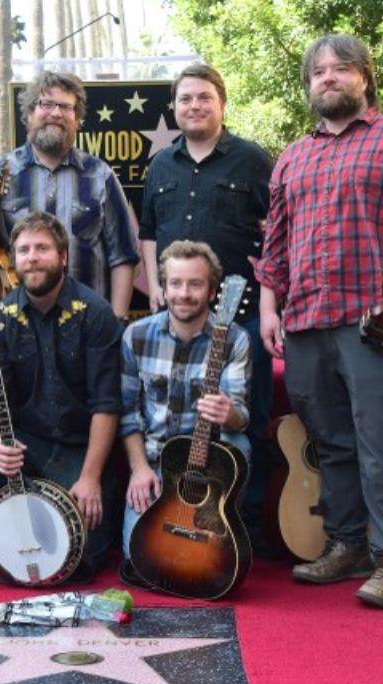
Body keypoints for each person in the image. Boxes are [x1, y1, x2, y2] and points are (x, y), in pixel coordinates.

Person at [256, 34, 383, 609]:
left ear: (365, 78)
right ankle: (347, 544)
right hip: (303, 321)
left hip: (374, 321)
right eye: (318, 71)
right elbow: (274, 243)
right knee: (331, 443)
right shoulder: (293, 157)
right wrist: (270, 306)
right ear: (308, 86)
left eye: (341, 68)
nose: (329, 77)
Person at [137, 63, 276, 553]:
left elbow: (274, 235)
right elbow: (148, 233)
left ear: (221, 104)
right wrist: (156, 286)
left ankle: (244, 527)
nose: (194, 106)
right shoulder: (161, 165)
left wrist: (270, 306)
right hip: (178, 313)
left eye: (203, 98)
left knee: (244, 418)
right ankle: (170, 510)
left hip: (238, 318)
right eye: (185, 99)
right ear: (174, 108)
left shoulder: (253, 161)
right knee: (176, 416)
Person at [0, 211, 122, 584]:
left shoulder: (95, 314)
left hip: (80, 451)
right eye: (24, 250)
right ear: (13, 260)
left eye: (42, 248)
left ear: (63, 257)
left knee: (80, 561)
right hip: (27, 447)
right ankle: (10, 521)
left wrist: (91, 477)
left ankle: (46, 508)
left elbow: (106, 404)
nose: (32, 257)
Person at [117, 240, 251, 581]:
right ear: (163, 286)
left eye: (195, 284)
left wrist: (228, 412)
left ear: (212, 290)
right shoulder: (137, 335)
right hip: (156, 464)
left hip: (208, 472)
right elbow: (127, 412)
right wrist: (138, 469)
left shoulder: (234, 339)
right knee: (139, 558)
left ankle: (219, 518)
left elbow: (241, 415)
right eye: (175, 283)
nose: (184, 293)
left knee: (242, 446)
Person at [0, 71, 139, 321]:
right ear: (29, 115)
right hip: (18, 327)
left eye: (65, 106)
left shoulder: (100, 175)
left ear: (77, 119)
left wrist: (116, 321)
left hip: (88, 326)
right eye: (46, 104)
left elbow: (123, 256)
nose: (56, 113)